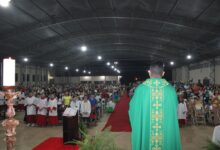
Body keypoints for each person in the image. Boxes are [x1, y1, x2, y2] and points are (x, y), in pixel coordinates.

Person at [129, 61, 182, 150]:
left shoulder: (140, 89)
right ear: (163, 73)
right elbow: (174, 111)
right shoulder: (171, 90)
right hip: (166, 132)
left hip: (146, 131)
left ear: (149, 72)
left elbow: (133, 110)